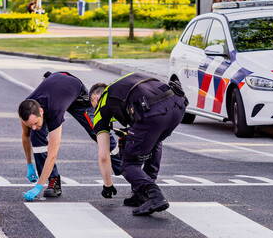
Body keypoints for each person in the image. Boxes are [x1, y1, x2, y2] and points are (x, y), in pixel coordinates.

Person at [89, 73, 186, 216]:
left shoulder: (101, 104)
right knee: (155, 142)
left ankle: (155, 196)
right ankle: (141, 194)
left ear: (95, 98)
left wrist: (108, 185)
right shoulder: (127, 81)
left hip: (152, 112)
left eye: (92, 105)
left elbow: (104, 156)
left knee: (128, 164)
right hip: (178, 105)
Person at [18, 71, 123, 201]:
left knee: (97, 130)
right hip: (54, 91)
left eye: (35, 123)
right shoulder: (26, 109)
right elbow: (25, 136)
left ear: (41, 111)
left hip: (75, 93)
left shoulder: (54, 110)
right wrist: (29, 165)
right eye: (30, 124)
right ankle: (53, 181)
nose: (33, 127)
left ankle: (123, 166)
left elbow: (52, 154)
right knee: (36, 136)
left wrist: (38, 186)